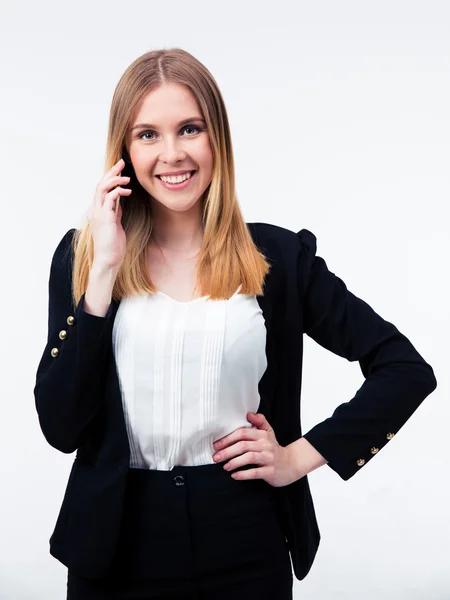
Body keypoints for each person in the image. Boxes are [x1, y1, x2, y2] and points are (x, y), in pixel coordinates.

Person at [33, 48, 437, 600]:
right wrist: (103, 270)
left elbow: (405, 369)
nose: (171, 154)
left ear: (216, 137)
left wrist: (299, 455)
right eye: (147, 134)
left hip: (244, 538)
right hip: (115, 543)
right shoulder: (83, 256)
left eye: (189, 129)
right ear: (123, 150)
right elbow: (60, 428)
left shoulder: (277, 257)